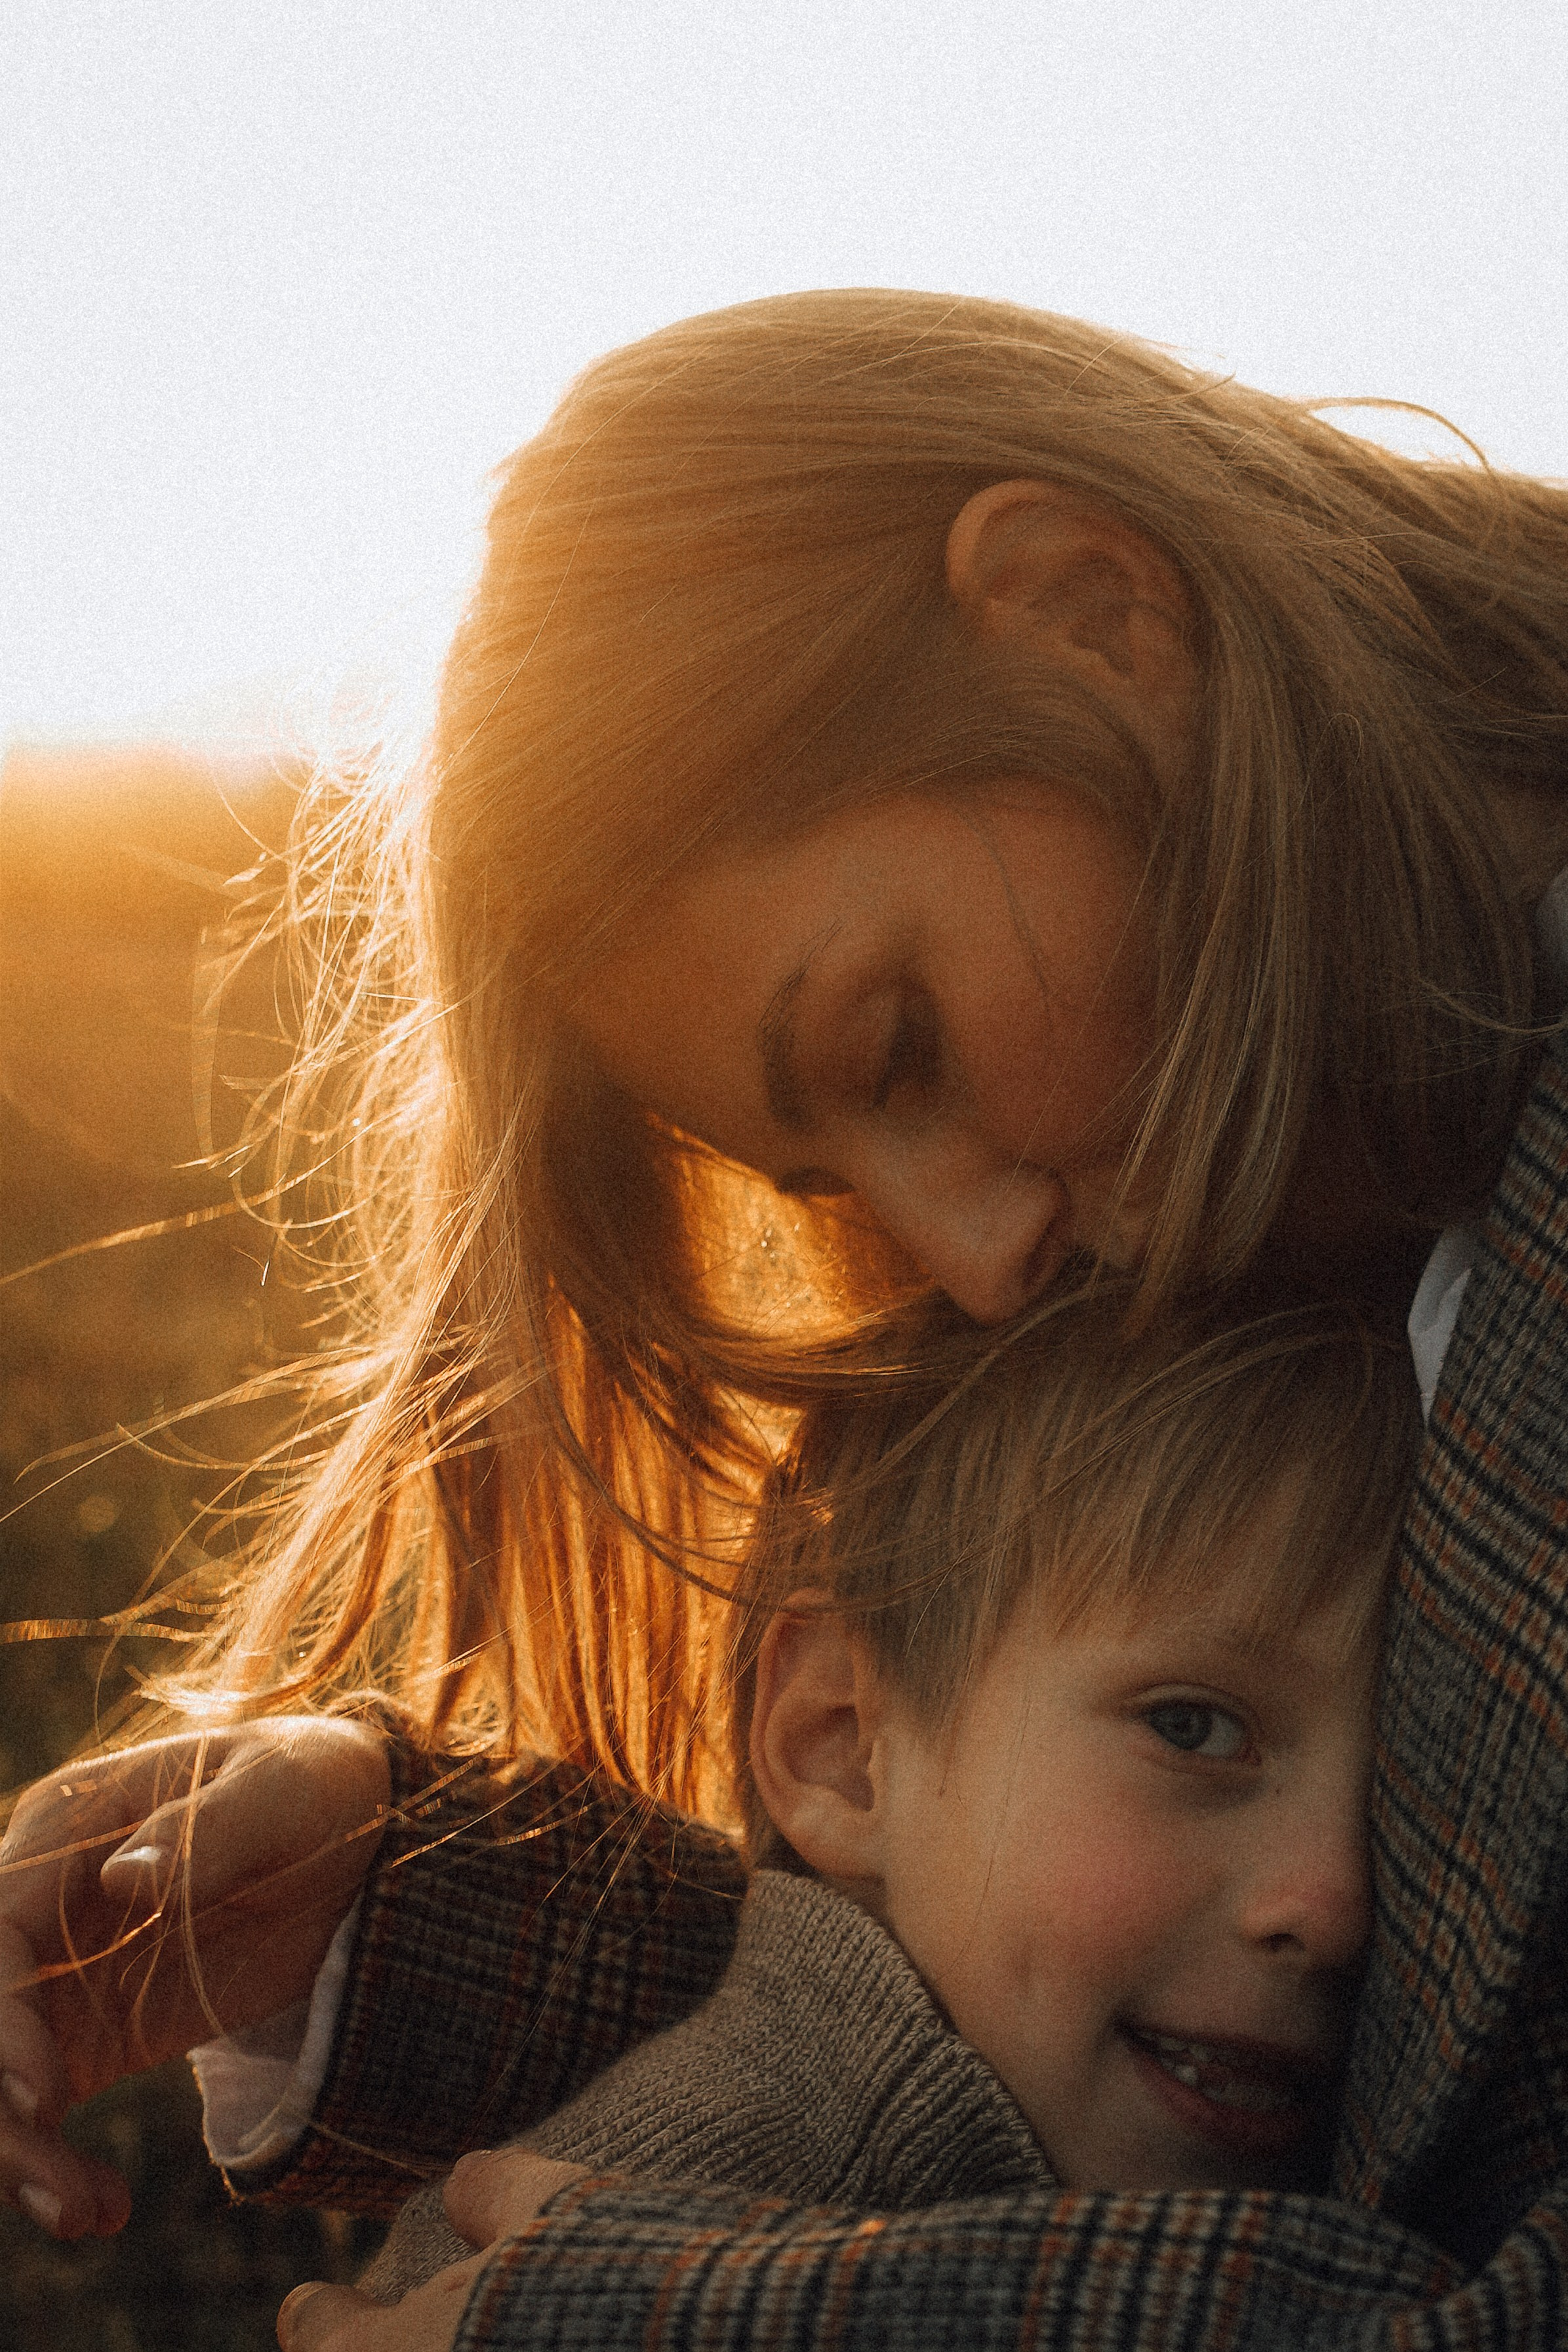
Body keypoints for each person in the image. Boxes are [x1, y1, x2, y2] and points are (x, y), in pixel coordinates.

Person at [1, 288, 1566, 2348]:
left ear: (1090, 611)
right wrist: (398, 1896)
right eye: (828, 1179)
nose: (977, 1261)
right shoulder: (1344, 1163)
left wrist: (708, 2320)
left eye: (897, 1039)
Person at [357, 1289, 1417, 2305]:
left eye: (1398, 1783)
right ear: (845, 1748)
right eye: (1193, 1727)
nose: (1335, 1907)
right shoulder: (640, 2225)